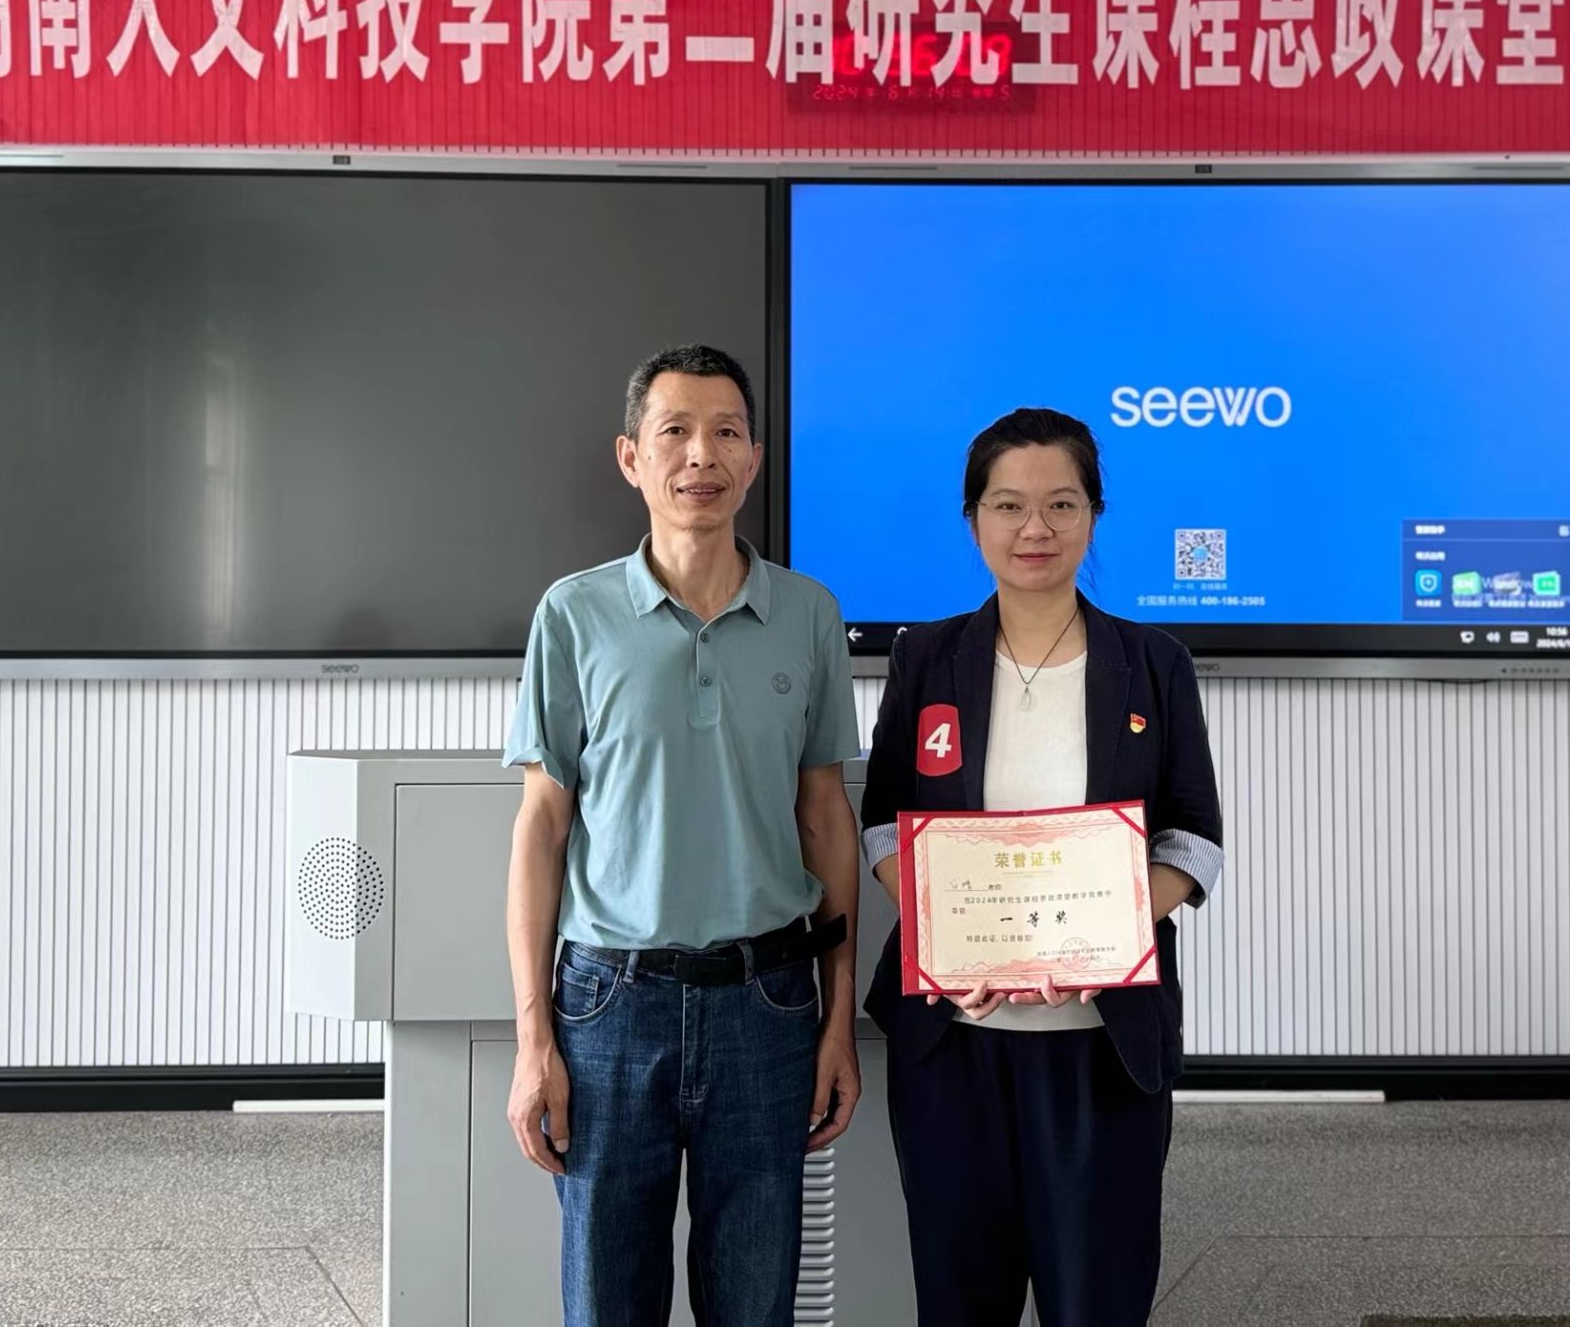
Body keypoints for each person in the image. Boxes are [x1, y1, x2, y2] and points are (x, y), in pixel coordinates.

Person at [502, 343, 864, 1327]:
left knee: (755, 1300)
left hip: (769, 1002)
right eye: (675, 431)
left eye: (725, 432)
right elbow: (541, 827)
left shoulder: (808, 613)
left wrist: (837, 1021)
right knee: (606, 1300)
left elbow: (825, 817)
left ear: (753, 459)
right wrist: (533, 1039)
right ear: (632, 457)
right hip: (606, 1006)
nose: (701, 454)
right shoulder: (573, 614)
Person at [861, 406, 1224, 1327]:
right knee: (960, 1299)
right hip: (953, 1042)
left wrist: (1099, 936)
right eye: (1008, 504)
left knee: (1097, 1300)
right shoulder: (924, 657)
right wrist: (951, 941)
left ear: (1094, 513)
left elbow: (1193, 839)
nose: (1035, 527)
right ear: (973, 517)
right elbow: (883, 828)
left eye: (1062, 503)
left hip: (1104, 1043)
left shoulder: (1154, 663)